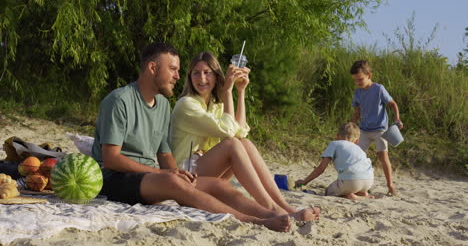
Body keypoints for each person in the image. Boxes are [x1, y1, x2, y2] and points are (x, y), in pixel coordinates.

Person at [91, 43, 292, 232]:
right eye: (172, 69)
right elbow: (111, 159)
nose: (178, 76)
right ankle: (255, 221)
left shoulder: (161, 105)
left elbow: (164, 152)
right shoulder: (119, 101)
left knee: (218, 184)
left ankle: (271, 212)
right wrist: (164, 174)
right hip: (114, 179)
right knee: (174, 182)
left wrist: (176, 172)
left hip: (148, 176)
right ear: (153, 68)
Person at [170, 51, 320, 221]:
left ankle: (284, 207)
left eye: (207, 73)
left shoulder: (215, 105)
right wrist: (227, 91)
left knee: (245, 143)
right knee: (232, 145)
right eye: (196, 73)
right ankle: (272, 209)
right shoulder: (186, 105)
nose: (202, 79)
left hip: (205, 171)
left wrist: (240, 91)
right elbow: (228, 132)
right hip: (186, 175)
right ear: (189, 77)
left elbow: (239, 132)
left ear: (216, 75)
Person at [349, 60, 403, 196]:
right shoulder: (358, 93)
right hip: (364, 130)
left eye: (360, 79)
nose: (358, 83)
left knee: (383, 155)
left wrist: (397, 119)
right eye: (355, 80)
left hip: (380, 129)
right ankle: (357, 185)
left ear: (369, 75)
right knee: (356, 156)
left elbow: (393, 104)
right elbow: (357, 112)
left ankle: (390, 184)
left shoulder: (379, 89)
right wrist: (352, 126)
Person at [295, 122, 374, 200]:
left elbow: (321, 168)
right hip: (369, 181)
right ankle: (363, 194)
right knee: (353, 187)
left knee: (328, 192)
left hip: (351, 181)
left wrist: (304, 181)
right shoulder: (360, 149)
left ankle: (352, 196)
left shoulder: (335, 144)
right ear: (357, 141)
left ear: (337, 136)